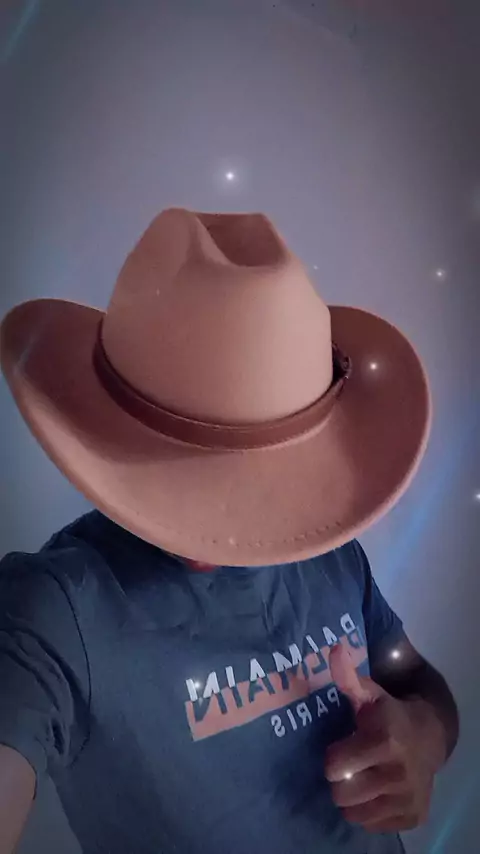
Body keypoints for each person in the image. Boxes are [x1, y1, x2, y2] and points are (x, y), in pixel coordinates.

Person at [0, 208, 458, 854]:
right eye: (196, 468)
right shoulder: (54, 609)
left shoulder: (330, 552)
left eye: (252, 471)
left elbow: (414, 678)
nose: (222, 523)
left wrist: (423, 737)